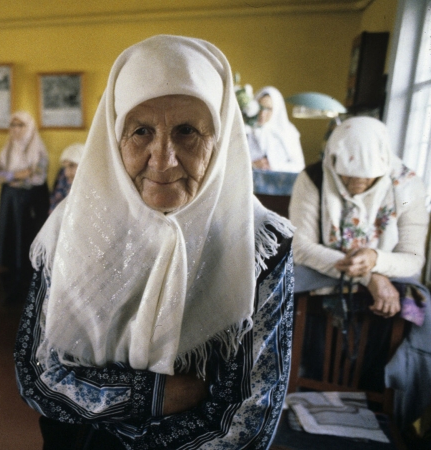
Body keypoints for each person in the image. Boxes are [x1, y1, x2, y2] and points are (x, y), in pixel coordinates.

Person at [15, 35, 295, 449]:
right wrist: (160, 394)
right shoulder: (70, 229)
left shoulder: (259, 244)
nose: (162, 159)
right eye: (141, 131)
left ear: (220, 139)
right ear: (114, 138)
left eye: (187, 132)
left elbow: (249, 420)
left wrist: (106, 409)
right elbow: (39, 376)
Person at [289, 116, 428, 392]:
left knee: (424, 314)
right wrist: (369, 277)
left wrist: (377, 260)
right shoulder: (315, 178)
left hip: (390, 272)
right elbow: (301, 247)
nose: (355, 182)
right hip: (321, 269)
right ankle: (297, 386)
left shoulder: (404, 187)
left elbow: (412, 256)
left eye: (366, 176)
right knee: (273, 293)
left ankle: (388, 396)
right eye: (347, 175)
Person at [0, 111, 49, 301]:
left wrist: (9, 176)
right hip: (9, 202)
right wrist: (18, 175)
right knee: (8, 238)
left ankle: (25, 289)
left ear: (29, 127)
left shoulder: (38, 150)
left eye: (20, 126)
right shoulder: (7, 148)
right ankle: (9, 288)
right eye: (12, 126)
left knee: (25, 241)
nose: (15, 130)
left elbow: (37, 177)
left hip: (29, 204)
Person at [248, 86, 305, 172]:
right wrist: (252, 164)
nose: (262, 114)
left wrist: (273, 166)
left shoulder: (288, 131)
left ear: (276, 109)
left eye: (268, 109)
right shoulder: (247, 129)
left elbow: (299, 166)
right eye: (260, 107)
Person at [48, 142, 84, 214]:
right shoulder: (64, 181)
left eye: (72, 166)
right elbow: (54, 211)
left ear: (83, 164)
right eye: (64, 167)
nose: (67, 173)